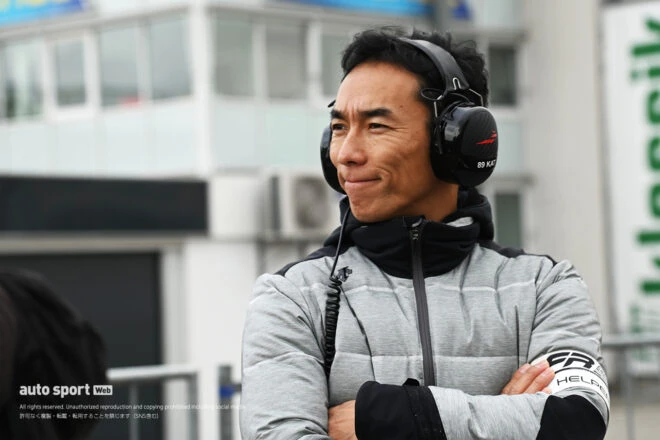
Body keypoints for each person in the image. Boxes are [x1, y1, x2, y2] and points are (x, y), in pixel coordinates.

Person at [240, 26, 609, 440]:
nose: (346, 154)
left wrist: (384, 417)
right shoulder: (292, 297)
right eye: (340, 127)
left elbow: (577, 421)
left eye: (376, 126)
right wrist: (503, 420)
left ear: (456, 141)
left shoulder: (546, 287)